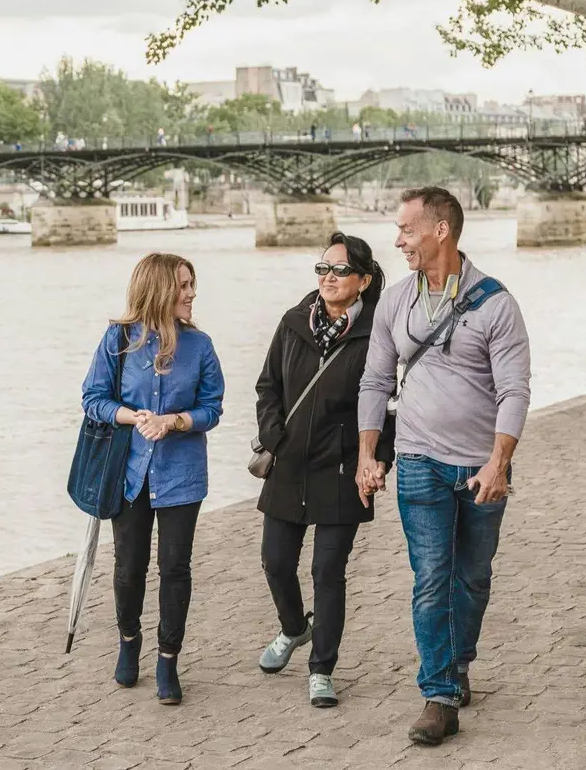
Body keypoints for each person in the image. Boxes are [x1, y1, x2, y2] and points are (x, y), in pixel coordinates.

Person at [357, 187, 531, 746]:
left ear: (440, 231)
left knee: (472, 579)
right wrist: (367, 455)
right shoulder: (396, 301)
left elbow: (514, 391)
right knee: (431, 578)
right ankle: (438, 693)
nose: (398, 240)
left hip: (482, 468)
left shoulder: (496, 303)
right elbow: (377, 381)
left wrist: (499, 461)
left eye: (406, 230)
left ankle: (457, 665)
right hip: (419, 461)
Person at [254, 232, 395, 708]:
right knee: (275, 561)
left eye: (338, 270)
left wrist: (376, 460)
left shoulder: (379, 333)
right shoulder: (293, 322)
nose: (328, 278)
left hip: (342, 470)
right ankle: (294, 628)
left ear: (363, 280)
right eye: (322, 269)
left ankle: (321, 669)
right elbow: (267, 385)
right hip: (289, 465)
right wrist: (274, 434)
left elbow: (389, 406)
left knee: (327, 573)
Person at [81, 252, 225, 705]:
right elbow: (92, 398)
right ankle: (128, 643)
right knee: (128, 568)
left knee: (175, 568)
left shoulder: (200, 347)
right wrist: (132, 416)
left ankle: (168, 659)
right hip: (129, 472)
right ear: (160, 289)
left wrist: (175, 421)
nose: (191, 294)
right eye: (183, 285)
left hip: (182, 475)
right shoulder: (117, 340)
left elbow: (212, 408)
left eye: (191, 284)